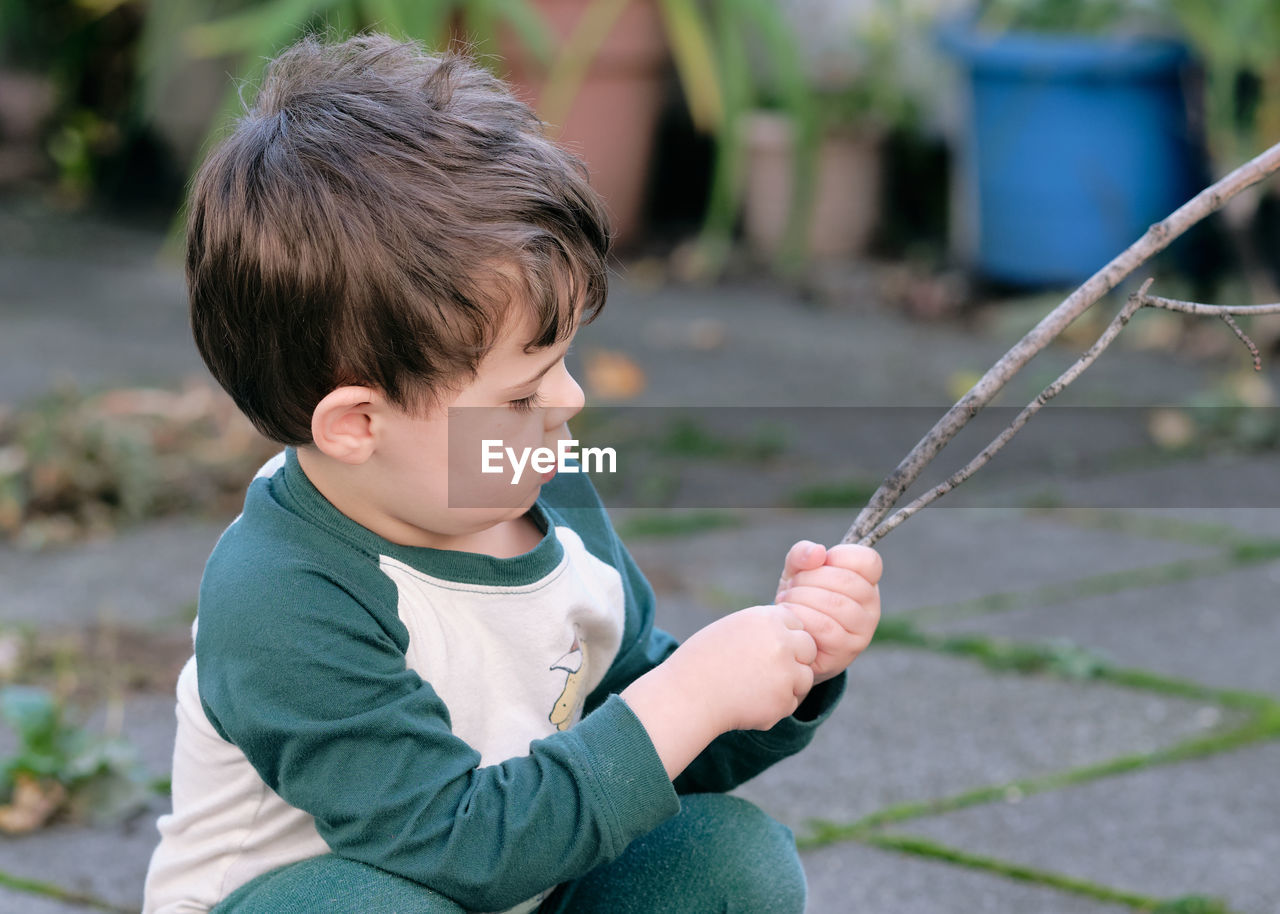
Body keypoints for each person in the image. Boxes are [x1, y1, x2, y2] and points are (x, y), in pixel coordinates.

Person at [143, 32, 882, 914]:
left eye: (566, 363)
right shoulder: (283, 595)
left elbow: (633, 746)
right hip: (377, 891)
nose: (568, 402)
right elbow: (457, 844)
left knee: (726, 862)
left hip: (521, 880)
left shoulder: (546, 493)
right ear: (358, 423)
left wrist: (787, 661)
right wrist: (687, 697)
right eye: (524, 390)